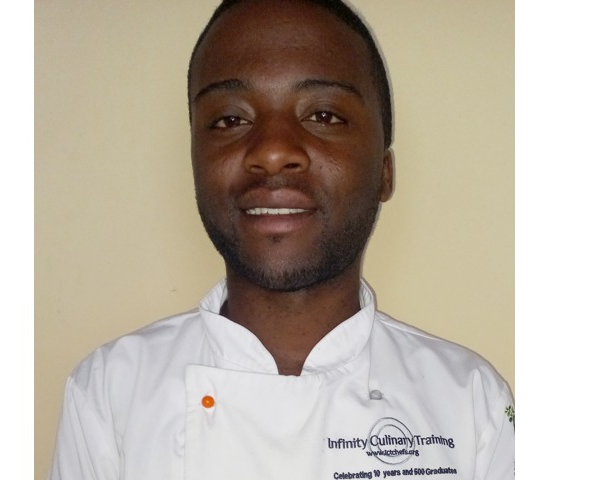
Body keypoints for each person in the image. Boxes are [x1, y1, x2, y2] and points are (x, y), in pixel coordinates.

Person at [49, 0, 514, 478]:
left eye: (324, 115)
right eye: (230, 120)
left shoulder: (470, 405)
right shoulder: (109, 396)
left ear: (384, 172)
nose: (272, 152)